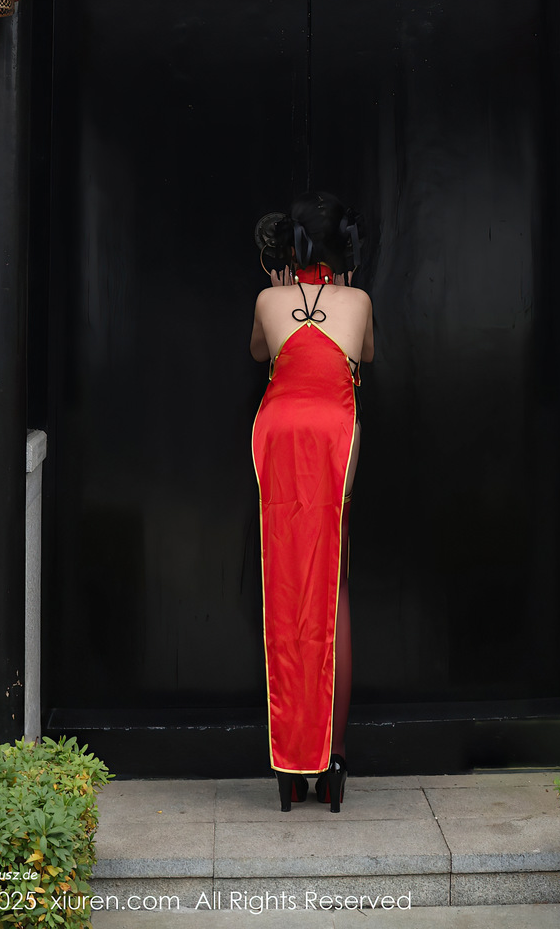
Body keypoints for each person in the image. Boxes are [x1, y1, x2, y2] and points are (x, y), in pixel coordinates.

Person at [250, 192, 374, 814]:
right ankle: (334, 757)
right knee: (334, 586)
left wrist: (282, 293)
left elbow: (260, 352)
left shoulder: (268, 301)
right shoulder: (359, 302)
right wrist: (342, 293)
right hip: (333, 431)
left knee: (284, 582)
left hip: (278, 430)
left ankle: (288, 762)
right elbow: (365, 356)